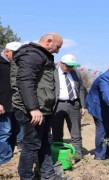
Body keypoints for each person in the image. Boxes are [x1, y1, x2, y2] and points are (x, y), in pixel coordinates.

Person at [11, 33, 63, 179]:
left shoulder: (41, 55)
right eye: (57, 47)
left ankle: (48, 176)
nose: (58, 51)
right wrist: (33, 108)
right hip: (32, 110)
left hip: (42, 109)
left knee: (45, 143)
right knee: (31, 145)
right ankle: (27, 177)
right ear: (48, 41)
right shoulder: (32, 54)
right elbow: (25, 81)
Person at [51, 54, 87, 160]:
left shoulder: (76, 73)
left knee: (76, 132)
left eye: (72, 66)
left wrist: (82, 105)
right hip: (58, 105)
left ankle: (77, 155)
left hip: (74, 104)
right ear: (61, 63)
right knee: (57, 132)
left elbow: (81, 89)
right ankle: (57, 155)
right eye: (68, 66)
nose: (70, 68)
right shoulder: (53, 73)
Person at [0, 42, 22, 164]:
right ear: (7, 51)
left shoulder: (15, 65)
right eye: (16, 53)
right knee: (4, 132)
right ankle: (3, 160)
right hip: (3, 105)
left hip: (14, 105)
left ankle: (8, 156)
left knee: (15, 131)